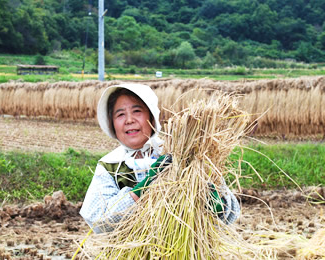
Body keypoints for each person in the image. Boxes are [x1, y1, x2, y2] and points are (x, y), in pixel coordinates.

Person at [80, 84, 240, 234]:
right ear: (112, 124)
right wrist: (140, 190)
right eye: (120, 114)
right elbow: (98, 220)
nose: (129, 120)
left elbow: (231, 215)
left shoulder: (182, 154)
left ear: (151, 117)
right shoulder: (110, 166)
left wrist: (218, 204)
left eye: (137, 111)